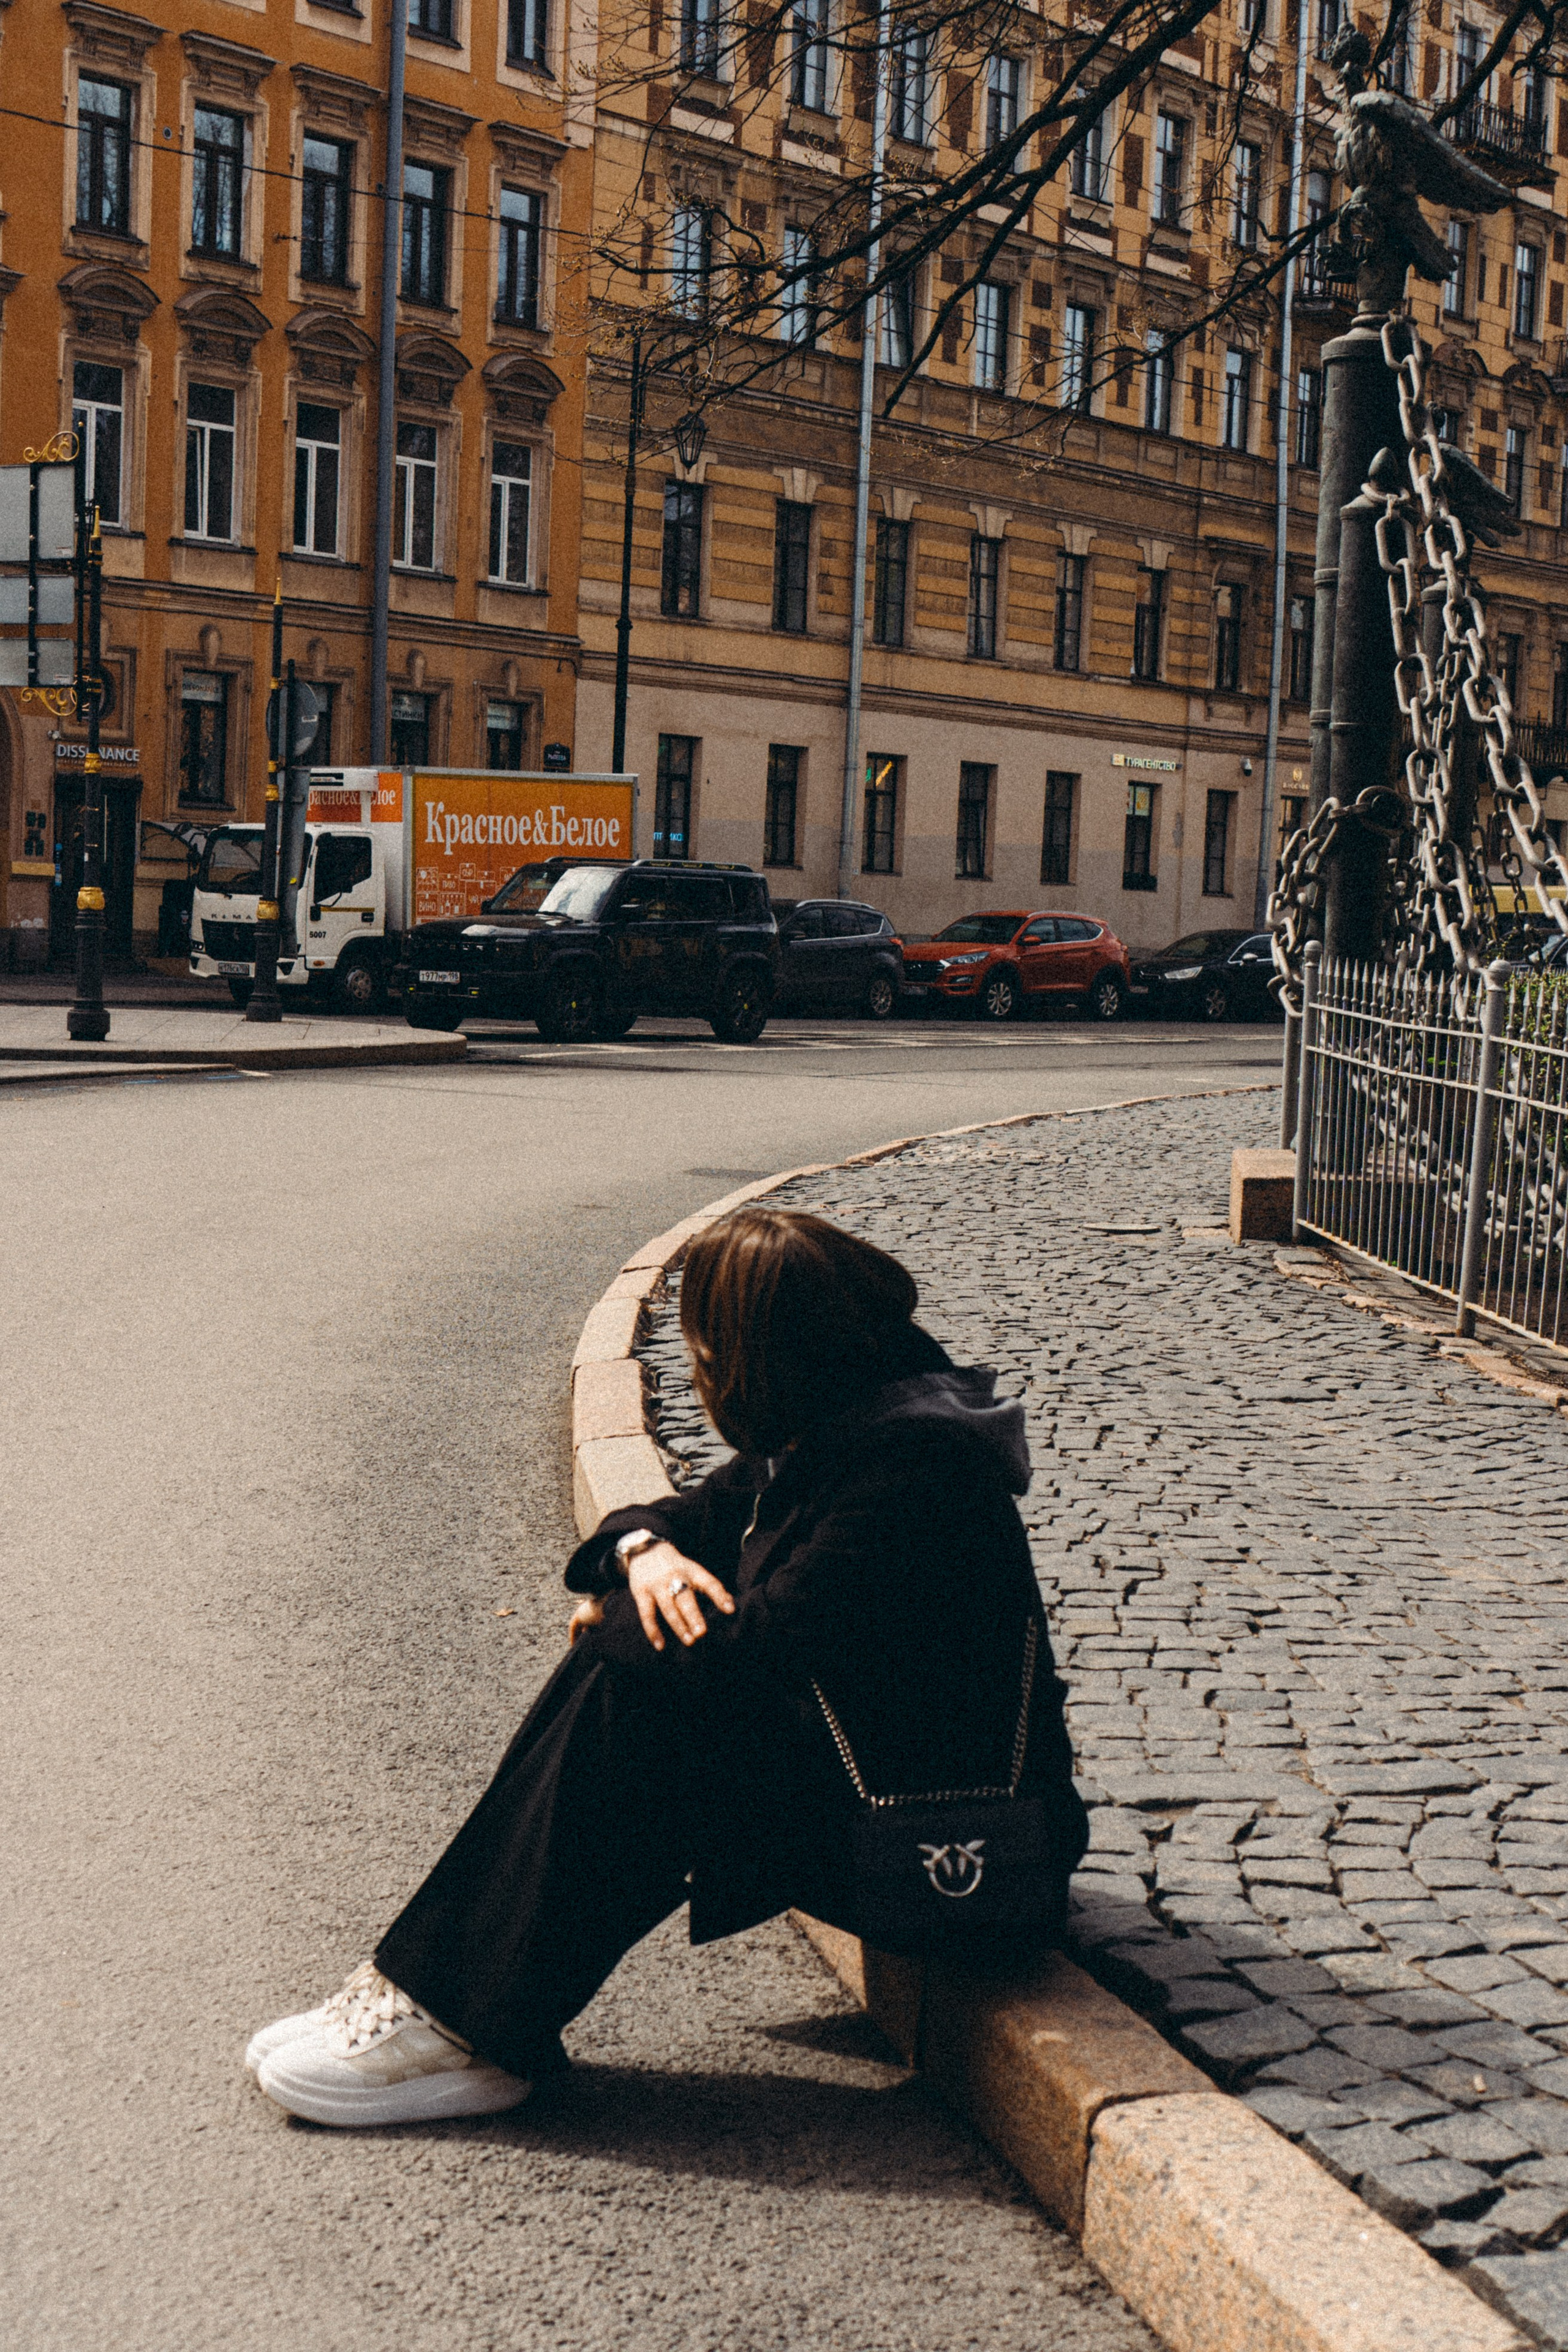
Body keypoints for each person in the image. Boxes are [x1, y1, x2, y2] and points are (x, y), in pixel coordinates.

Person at [247, 1208, 1087, 2128]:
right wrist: (643, 1556)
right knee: (631, 1667)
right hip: (877, 1801)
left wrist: (617, 1611)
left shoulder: (912, 1475)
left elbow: (749, 1659)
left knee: (636, 1701)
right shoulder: (845, 1420)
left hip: (955, 1852)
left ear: (757, 1352)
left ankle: (471, 2030)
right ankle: (441, 1994)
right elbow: (676, 1520)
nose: (698, 1370)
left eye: (703, 1350)